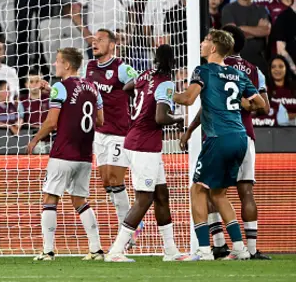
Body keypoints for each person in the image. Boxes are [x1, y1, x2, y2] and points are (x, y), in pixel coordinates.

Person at [173, 29, 266, 261]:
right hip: (240, 137)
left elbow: (188, 99)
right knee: (219, 194)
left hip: (218, 137)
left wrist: (166, 94)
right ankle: (239, 248)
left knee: (197, 189)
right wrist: (241, 103)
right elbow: (261, 104)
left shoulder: (203, 71)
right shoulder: (237, 74)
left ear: (213, 48)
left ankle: (204, 250)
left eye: (205, 40)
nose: (202, 43)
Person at [105, 45, 185, 262]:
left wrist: (142, 102)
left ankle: (170, 251)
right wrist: (180, 119)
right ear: (173, 61)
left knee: (161, 195)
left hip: (139, 141)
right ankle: (116, 250)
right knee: (145, 198)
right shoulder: (166, 82)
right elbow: (161, 118)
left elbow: (127, 88)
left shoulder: (146, 74)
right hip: (144, 145)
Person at [28, 48, 104, 261]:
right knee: (80, 200)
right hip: (85, 154)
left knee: (50, 198)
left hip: (63, 152)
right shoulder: (92, 87)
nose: (55, 65)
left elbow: (52, 122)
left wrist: (34, 139)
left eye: (58, 61)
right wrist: (53, 91)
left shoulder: (60, 87)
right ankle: (96, 249)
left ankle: (48, 250)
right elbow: (100, 120)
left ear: (67, 65)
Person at [84, 29, 138, 235]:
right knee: (106, 181)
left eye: (100, 40)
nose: (94, 43)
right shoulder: (89, 67)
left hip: (119, 132)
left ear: (112, 45)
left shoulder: (122, 68)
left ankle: (128, 230)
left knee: (116, 180)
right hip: (98, 132)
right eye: (93, 40)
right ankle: (130, 222)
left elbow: (140, 85)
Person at [222, 0, 272, 75]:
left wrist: (240, 28)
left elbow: (266, 30)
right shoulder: (228, 9)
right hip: (236, 63)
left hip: (259, 63)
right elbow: (232, 35)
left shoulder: (261, 10)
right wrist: (256, 30)